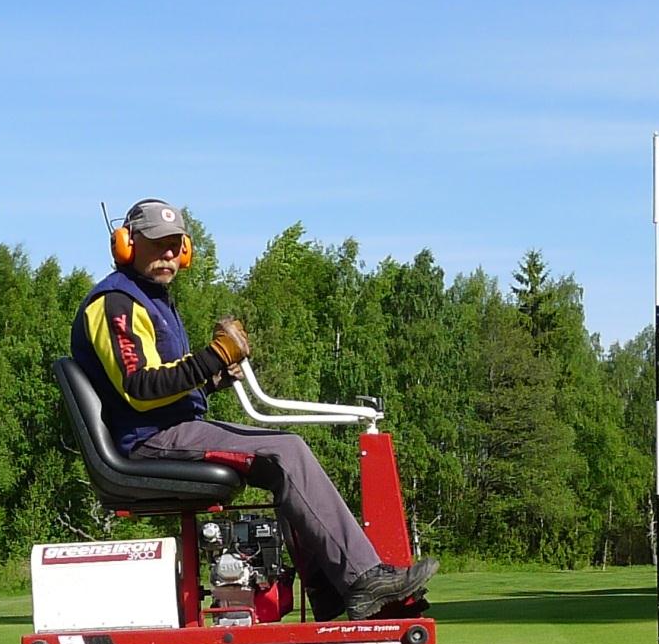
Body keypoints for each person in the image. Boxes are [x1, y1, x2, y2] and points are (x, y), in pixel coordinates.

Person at [73, 198, 437, 619]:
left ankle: (335, 595)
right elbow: (140, 388)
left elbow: (165, 382)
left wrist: (213, 377)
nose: (168, 254)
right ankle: (362, 581)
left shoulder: (152, 300)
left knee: (282, 453)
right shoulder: (116, 303)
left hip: (170, 429)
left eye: (175, 245)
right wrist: (212, 357)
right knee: (285, 451)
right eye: (157, 244)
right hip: (148, 441)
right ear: (128, 244)